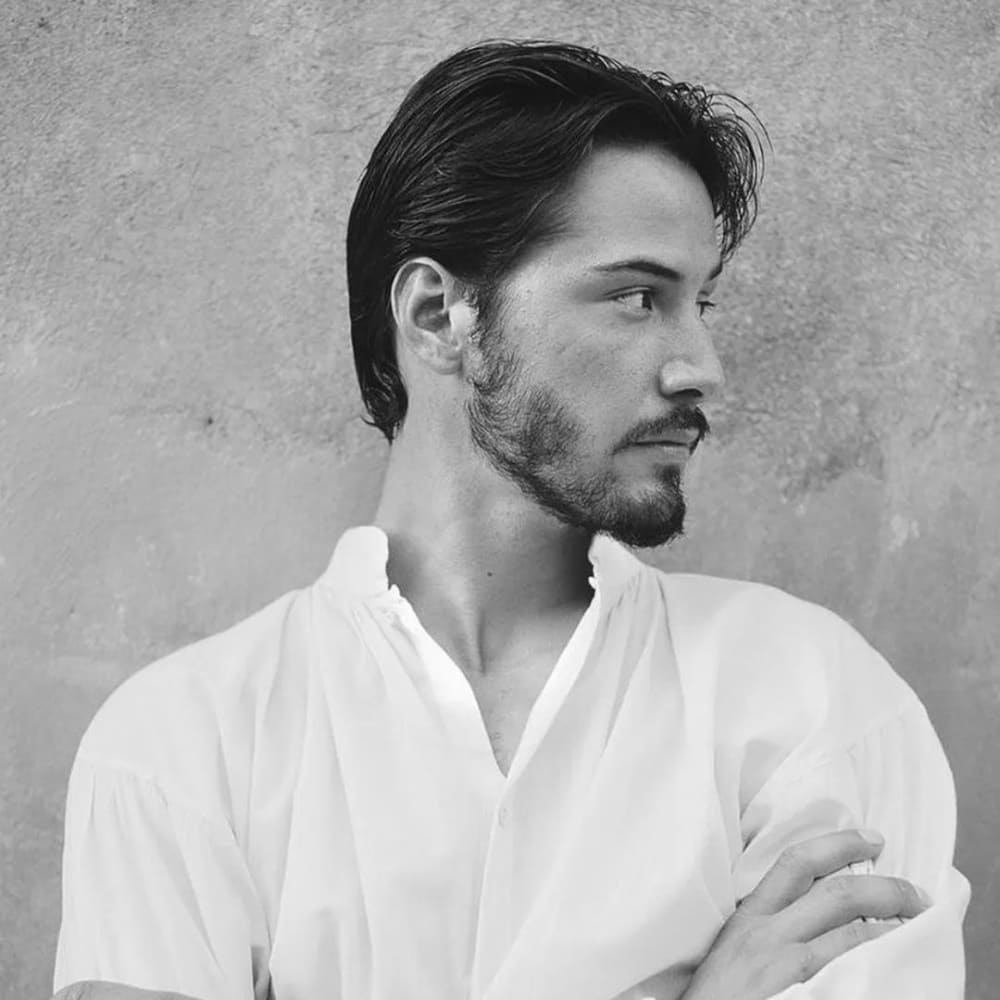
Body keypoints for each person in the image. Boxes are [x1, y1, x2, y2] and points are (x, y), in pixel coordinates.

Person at [52, 40, 969, 1000]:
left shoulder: (808, 699)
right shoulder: (182, 748)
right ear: (440, 313)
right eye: (635, 297)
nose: (701, 365)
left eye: (701, 303)